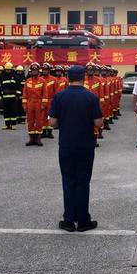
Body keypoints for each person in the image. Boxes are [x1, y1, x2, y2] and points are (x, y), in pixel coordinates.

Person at [49, 65, 102, 233]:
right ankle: (83, 220)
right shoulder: (91, 97)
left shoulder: (59, 97)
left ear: (68, 78)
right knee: (83, 181)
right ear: (84, 78)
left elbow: (52, 122)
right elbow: (99, 123)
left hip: (66, 144)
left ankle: (69, 220)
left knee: (68, 181)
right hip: (85, 145)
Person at [22, 62, 46, 146]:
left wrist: (43, 104)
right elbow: (24, 94)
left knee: (39, 121)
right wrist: (24, 105)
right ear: (30, 71)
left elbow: (45, 94)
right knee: (30, 120)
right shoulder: (27, 81)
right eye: (33, 70)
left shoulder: (43, 81)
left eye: (35, 70)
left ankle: (38, 138)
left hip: (39, 103)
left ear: (38, 71)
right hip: (30, 103)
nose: (34, 72)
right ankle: (31, 139)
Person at [1, 62, 19, 130]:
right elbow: (1, 87)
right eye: (6, 69)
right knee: (6, 111)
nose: (8, 71)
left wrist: (17, 95)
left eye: (9, 69)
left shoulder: (15, 77)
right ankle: (7, 125)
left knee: (13, 110)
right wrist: (2, 95)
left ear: (11, 69)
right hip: (5, 97)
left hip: (13, 97)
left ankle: (13, 124)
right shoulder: (2, 77)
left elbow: (18, 87)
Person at [41, 63, 57, 139]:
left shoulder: (54, 79)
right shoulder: (40, 79)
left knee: (49, 116)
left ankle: (50, 132)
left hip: (51, 100)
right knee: (43, 116)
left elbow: (56, 90)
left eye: (46, 70)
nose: (45, 71)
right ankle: (43, 132)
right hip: (42, 101)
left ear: (49, 70)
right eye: (43, 70)